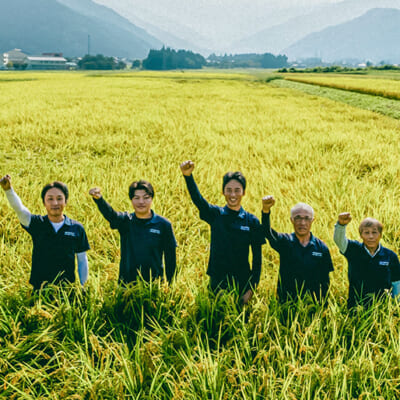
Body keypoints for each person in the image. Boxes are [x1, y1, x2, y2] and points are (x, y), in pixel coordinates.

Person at [180, 160, 265, 304]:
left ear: (243, 192)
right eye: (229, 190)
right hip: (217, 282)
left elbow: (257, 260)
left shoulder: (251, 221)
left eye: (237, 190)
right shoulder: (215, 215)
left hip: (242, 283)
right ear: (223, 191)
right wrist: (188, 176)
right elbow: (198, 201)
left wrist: (251, 289)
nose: (233, 194)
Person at [0, 175, 90, 291]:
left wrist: (84, 287)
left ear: (65, 201)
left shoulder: (76, 228)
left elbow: (82, 259)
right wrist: (9, 190)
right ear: (44, 202)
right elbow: (20, 210)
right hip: (39, 290)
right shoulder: (37, 224)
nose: (55, 203)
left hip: (67, 291)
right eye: (50, 199)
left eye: (59, 198)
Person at [89, 180, 176, 284]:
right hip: (126, 285)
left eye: (146, 197)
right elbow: (111, 215)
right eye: (136, 198)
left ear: (152, 199)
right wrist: (99, 200)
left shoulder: (163, 225)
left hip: (154, 286)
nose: (141, 202)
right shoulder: (126, 221)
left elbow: (170, 258)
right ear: (131, 200)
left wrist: (171, 285)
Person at [262, 196, 333, 302]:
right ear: (292, 220)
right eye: (298, 218)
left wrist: (324, 306)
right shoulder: (285, 242)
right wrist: (266, 211)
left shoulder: (321, 248)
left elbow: (325, 280)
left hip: (312, 306)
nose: (302, 223)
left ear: (312, 220)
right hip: (286, 304)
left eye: (306, 218)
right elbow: (268, 232)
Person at [334, 212, 400, 308]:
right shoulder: (353, 250)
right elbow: (339, 241)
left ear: (380, 235)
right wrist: (341, 225)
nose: (371, 236)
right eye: (366, 232)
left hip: (382, 308)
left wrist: (396, 307)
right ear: (361, 235)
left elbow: (396, 282)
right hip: (356, 307)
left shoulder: (390, 256)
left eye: (374, 232)